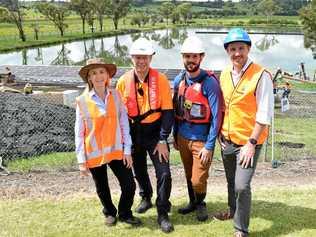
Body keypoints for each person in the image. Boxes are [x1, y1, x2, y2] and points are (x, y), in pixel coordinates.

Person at [213, 28, 274, 237]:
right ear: (227, 51)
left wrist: (251, 142)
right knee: (231, 181)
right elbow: (225, 106)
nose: (237, 53)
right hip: (227, 139)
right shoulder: (224, 74)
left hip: (249, 141)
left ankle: (241, 229)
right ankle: (232, 211)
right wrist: (221, 132)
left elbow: (265, 114)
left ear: (248, 49)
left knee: (241, 185)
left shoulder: (261, 75)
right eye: (232, 49)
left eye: (241, 48)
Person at [116, 37, 174, 233]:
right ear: (132, 58)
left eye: (145, 58)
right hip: (133, 132)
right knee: (138, 170)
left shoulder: (162, 80)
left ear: (151, 58)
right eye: (137, 58)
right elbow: (119, 114)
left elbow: (168, 112)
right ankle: (146, 197)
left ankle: (163, 211)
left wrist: (163, 138)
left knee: (164, 172)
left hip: (155, 132)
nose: (141, 62)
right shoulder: (123, 82)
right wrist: (124, 141)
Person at [75, 58, 141, 227]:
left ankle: (125, 212)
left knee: (129, 184)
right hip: (94, 152)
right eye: (94, 73)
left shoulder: (116, 96)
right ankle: (109, 212)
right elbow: (79, 133)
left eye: (102, 72)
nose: (98, 76)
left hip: (117, 150)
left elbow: (124, 123)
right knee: (102, 187)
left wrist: (127, 150)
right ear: (89, 78)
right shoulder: (82, 101)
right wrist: (82, 160)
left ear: (107, 75)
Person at [173, 36, 223, 222]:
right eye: (187, 56)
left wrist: (209, 145)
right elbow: (177, 110)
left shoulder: (210, 83)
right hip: (183, 137)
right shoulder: (179, 80)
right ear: (182, 58)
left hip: (202, 140)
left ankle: (201, 203)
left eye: (194, 56)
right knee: (188, 174)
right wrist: (175, 136)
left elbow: (217, 116)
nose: (190, 60)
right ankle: (192, 202)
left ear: (201, 57)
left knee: (198, 178)